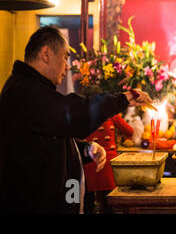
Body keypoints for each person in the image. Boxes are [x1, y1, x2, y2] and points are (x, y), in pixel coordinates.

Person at [0, 26, 151, 213]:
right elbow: (75, 114)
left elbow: (49, 139)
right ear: (46, 54)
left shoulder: (32, 88)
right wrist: (123, 99)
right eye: (65, 57)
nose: (68, 65)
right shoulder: (26, 92)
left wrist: (86, 149)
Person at [83, 113, 134, 214]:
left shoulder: (82, 110)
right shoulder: (111, 112)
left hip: (88, 161)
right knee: (108, 205)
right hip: (107, 163)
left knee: (87, 204)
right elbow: (129, 131)